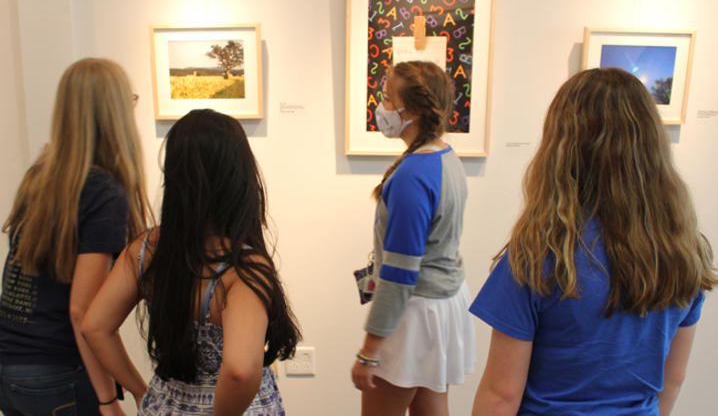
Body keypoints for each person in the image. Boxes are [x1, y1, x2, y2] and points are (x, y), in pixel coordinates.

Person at [470, 67, 716, 415]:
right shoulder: (685, 251)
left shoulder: (540, 253)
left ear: (560, 148)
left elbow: (501, 395)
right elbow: (672, 379)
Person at [82, 108, 301, 415]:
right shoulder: (243, 269)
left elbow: (94, 326)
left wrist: (138, 389)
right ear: (239, 176)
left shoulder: (145, 249)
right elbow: (240, 370)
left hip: (166, 401)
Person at [0, 58, 153, 415]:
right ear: (115, 112)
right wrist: (116, 395)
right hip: (57, 373)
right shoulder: (103, 191)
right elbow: (82, 312)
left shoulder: (40, 175)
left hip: (11, 368)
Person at [351, 61, 476, 416]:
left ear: (416, 111)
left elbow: (400, 272)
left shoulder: (412, 175)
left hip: (415, 312)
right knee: (431, 407)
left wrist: (368, 352)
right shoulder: (445, 157)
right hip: (443, 301)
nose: (382, 107)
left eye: (389, 100)